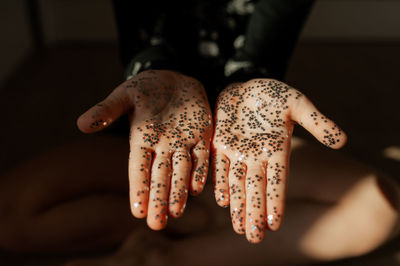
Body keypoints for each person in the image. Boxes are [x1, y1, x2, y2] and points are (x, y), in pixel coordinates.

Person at [0, 0, 398, 265]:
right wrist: (153, 71)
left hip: (245, 139)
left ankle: (172, 255)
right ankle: (192, 221)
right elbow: (143, 32)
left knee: (381, 208)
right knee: (10, 220)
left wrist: (248, 83)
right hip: (156, 136)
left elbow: (264, 43)